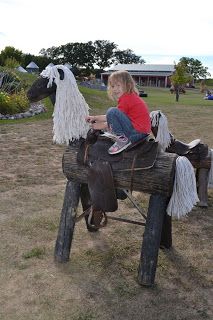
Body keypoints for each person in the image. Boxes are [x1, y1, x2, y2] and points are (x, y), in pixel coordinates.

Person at [86, 70, 151, 154]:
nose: (115, 89)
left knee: (112, 111)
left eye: (118, 85)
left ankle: (122, 140)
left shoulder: (127, 99)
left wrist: (101, 125)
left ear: (128, 85)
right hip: (141, 132)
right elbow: (113, 119)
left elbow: (111, 116)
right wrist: (95, 118)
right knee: (112, 113)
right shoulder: (130, 97)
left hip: (136, 132)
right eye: (113, 86)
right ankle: (121, 137)